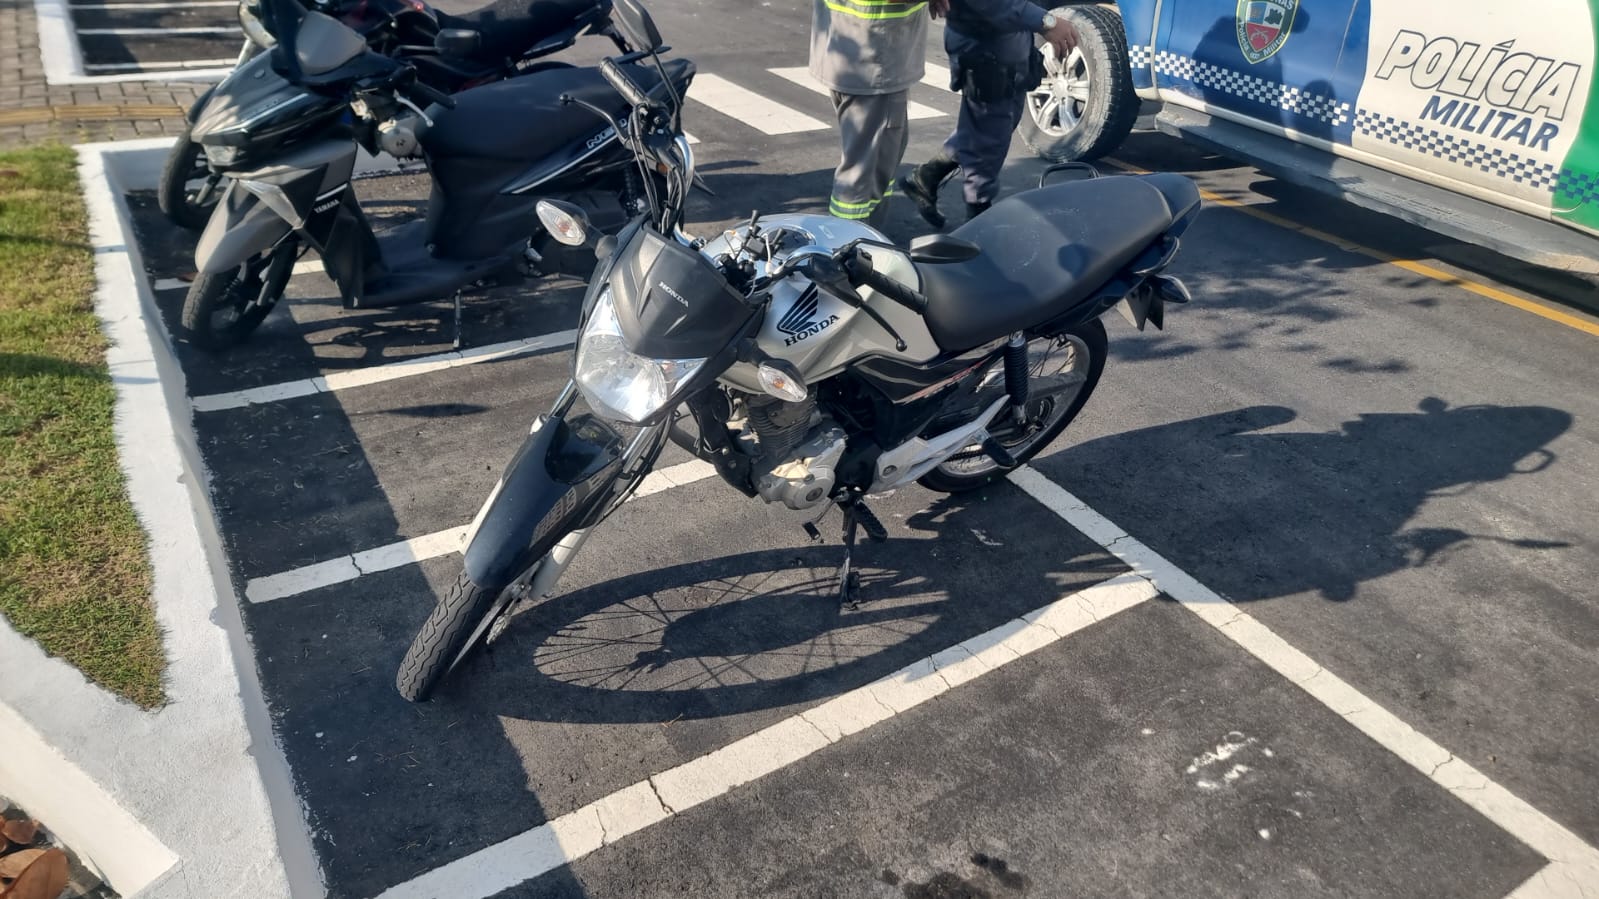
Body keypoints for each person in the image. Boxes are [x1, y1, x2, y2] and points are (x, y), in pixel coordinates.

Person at [899, 1, 1080, 228]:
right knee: (991, 136)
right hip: (987, 52)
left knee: (990, 128)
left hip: (1006, 47)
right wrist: (1046, 22)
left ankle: (927, 177)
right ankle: (977, 215)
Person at [809, 0, 947, 226]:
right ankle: (851, 242)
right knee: (864, 177)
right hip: (874, 60)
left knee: (871, 167)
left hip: (851, 48)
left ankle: (857, 238)